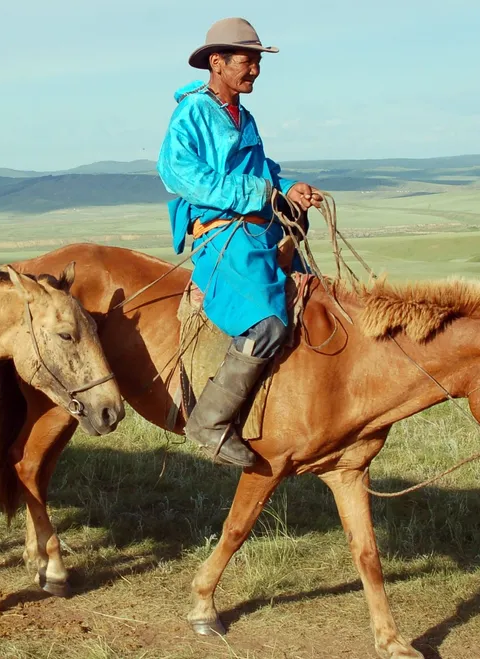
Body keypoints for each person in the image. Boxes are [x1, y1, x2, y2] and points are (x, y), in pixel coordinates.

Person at [158, 17, 319, 467]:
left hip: (259, 228)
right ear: (218, 63)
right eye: (247, 62)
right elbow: (178, 173)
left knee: (314, 295)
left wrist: (288, 187)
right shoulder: (192, 113)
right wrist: (254, 193)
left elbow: (262, 169)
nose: (255, 71)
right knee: (265, 325)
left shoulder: (243, 116)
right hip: (224, 234)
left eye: (256, 63)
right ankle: (209, 421)